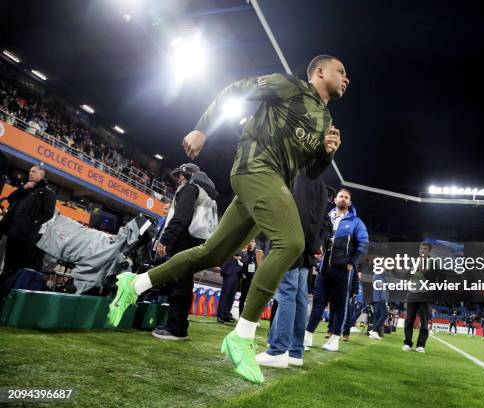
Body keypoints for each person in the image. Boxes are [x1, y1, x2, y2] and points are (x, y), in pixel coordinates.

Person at [107, 54, 348, 384]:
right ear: (320, 72)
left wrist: (325, 154)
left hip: (273, 181)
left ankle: (135, 284)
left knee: (212, 253)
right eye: (341, 71)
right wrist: (202, 128)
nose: (346, 78)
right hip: (255, 168)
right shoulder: (289, 85)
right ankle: (242, 336)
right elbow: (237, 89)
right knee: (292, 242)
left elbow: (310, 169)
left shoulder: (325, 118)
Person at [256, 171, 328, 368]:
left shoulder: (301, 173)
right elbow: (318, 219)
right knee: (298, 296)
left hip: (290, 241)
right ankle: (295, 351)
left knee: (286, 293)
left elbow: (302, 212)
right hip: (304, 246)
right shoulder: (318, 179)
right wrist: (313, 245)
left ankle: (278, 350)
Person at [151, 163, 219, 341]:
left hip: (183, 240)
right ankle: (179, 326)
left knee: (180, 285)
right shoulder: (206, 192)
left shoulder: (191, 188)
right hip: (197, 241)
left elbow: (180, 218)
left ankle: (175, 329)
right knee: (184, 284)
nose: (178, 179)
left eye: (180, 175)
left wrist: (165, 239)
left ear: (188, 174)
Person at [305, 188, 369, 352]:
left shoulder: (356, 222)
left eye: (346, 197)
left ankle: (334, 339)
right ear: (335, 199)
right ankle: (307, 336)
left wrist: (352, 263)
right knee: (318, 303)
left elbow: (363, 244)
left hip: (343, 270)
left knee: (340, 306)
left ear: (349, 202)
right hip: (324, 268)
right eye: (341, 196)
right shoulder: (326, 217)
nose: (343, 199)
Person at [0, 165, 56, 290]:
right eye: (30, 171)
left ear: (41, 175)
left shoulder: (47, 193)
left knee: (18, 266)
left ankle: (12, 290)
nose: (30, 173)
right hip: (12, 232)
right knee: (8, 264)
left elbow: (48, 213)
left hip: (25, 236)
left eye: (34, 172)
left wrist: (31, 223)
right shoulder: (26, 188)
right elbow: (10, 199)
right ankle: (4, 287)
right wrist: (24, 188)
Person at [402, 242, 435, 353]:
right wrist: (410, 270)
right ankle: (407, 343)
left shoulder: (433, 262)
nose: (422, 251)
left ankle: (421, 345)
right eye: (421, 248)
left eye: (425, 249)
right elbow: (404, 276)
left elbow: (436, 279)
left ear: (429, 251)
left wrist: (426, 273)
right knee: (409, 320)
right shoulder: (413, 261)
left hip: (425, 294)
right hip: (412, 293)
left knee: (424, 322)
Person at [217, 252, 244, 323]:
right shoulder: (236, 245)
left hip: (237, 274)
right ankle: (220, 315)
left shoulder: (244, 250)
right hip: (229, 272)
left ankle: (226, 314)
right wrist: (237, 256)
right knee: (225, 295)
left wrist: (239, 257)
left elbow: (244, 258)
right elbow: (234, 253)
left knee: (231, 297)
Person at [238, 239, 261, 316]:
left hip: (255, 279)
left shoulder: (258, 253)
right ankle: (240, 315)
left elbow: (260, 265)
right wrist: (242, 274)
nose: (251, 243)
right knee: (243, 297)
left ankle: (252, 317)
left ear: (255, 243)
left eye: (253, 241)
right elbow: (240, 264)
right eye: (250, 241)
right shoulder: (244, 252)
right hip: (246, 279)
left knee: (253, 299)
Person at [368, 268, 388, 340]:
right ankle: (374, 330)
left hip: (378, 299)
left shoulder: (379, 276)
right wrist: (384, 300)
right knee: (385, 314)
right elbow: (381, 288)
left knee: (378, 315)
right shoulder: (378, 276)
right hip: (380, 299)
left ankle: (373, 333)